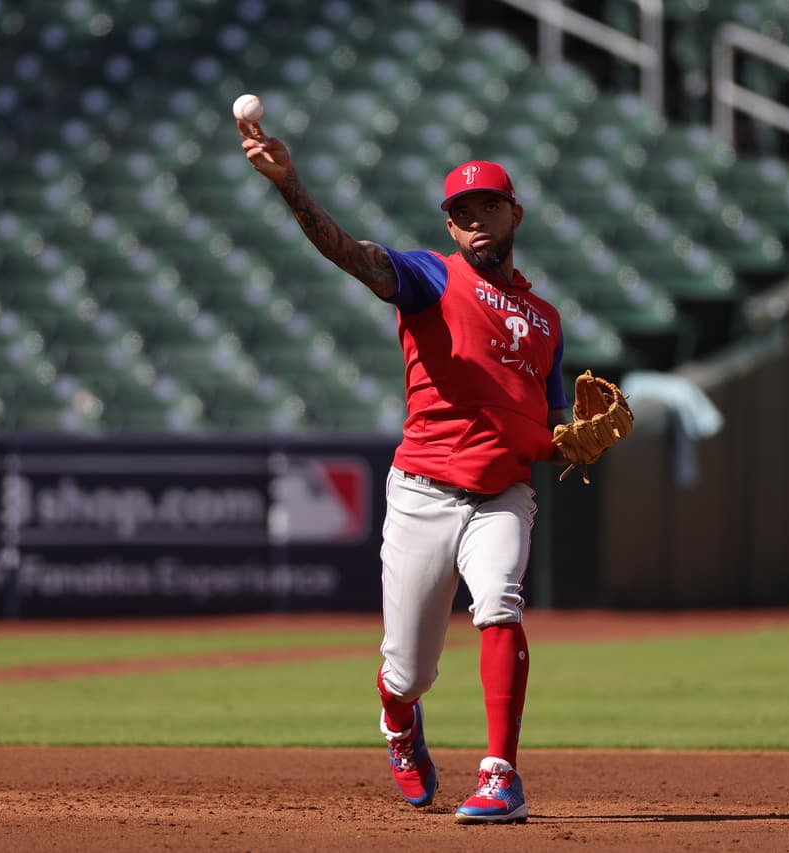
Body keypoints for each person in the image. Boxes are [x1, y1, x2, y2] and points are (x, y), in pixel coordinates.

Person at [239, 117, 571, 825]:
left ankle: (500, 774)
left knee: (501, 604)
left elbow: (554, 427)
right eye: (460, 212)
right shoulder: (430, 276)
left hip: (502, 495)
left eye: (487, 205)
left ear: (515, 212)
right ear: (449, 227)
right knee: (408, 669)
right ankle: (398, 716)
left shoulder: (546, 319)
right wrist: (289, 184)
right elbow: (350, 253)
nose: (474, 219)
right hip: (423, 492)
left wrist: (575, 443)